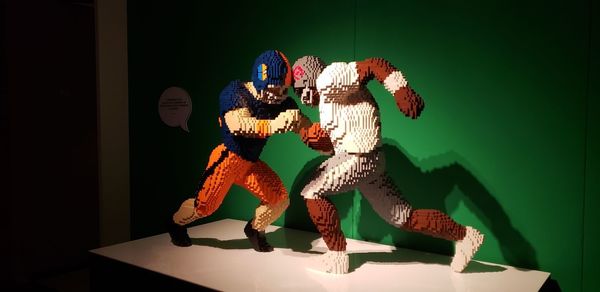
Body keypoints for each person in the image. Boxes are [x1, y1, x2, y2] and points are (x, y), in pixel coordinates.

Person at [291, 55, 484, 273]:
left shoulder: (328, 79)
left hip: (360, 155)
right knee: (404, 217)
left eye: (299, 91)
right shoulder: (328, 101)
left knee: (312, 191)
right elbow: (337, 141)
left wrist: (401, 90)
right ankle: (465, 235)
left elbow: (374, 65)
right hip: (367, 159)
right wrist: (318, 142)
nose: (303, 99)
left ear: (306, 83)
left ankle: (336, 257)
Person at [167, 50, 313, 252]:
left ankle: (254, 228)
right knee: (205, 207)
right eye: (276, 89)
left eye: (284, 90)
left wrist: (316, 134)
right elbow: (238, 125)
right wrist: (275, 124)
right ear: (262, 80)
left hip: (251, 164)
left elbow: (302, 123)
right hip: (228, 159)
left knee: (279, 199)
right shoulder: (235, 92)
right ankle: (176, 223)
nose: (280, 95)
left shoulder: (280, 102)